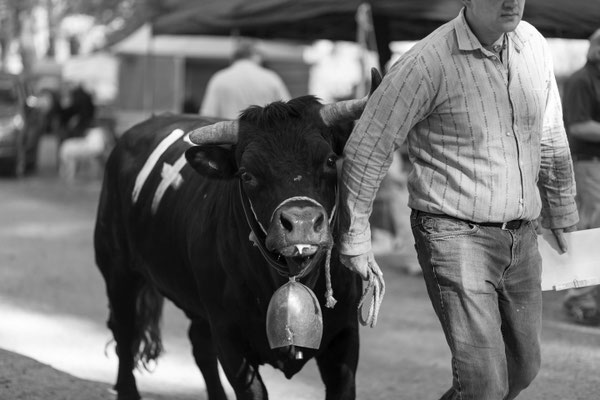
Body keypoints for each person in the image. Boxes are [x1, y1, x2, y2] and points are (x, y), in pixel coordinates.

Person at [337, 1, 579, 399]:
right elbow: (368, 147)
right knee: (484, 383)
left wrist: (561, 207)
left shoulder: (533, 44)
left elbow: (550, 130)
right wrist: (356, 238)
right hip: (453, 235)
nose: (510, 1)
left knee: (523, 368)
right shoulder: (425, 62)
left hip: (522, 234)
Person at [561, 28, 600, 325]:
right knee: (589, 230)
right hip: (587, 163)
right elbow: (578, 126)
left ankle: (589, 295)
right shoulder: (581, 80)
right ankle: (578, 297)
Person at [199, 39, 291, 119]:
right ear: (255, 55)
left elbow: (207, 115)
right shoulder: (271, 78)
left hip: (229, 137)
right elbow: (288, 113)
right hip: (264, 137)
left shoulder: (219, 78)